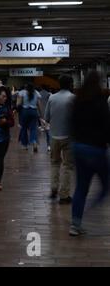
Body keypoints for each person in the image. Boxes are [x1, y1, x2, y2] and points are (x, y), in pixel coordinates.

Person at [69, 72, 110, 236]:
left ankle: (75, 224)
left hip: (79, 148)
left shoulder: (78, 101)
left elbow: (71, 123)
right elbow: (107, 127)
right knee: (106, 186)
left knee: (81, 188)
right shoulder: (101, 101)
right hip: (96, 150)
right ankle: (91, 211)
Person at [44, 76, 75, 204]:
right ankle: (64, 195)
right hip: (69, 137)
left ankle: (53, 188)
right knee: (68, 166)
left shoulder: (52, 98)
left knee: (55, 163)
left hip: (54, 136)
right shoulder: (73, 98)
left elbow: (46, 118)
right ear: (70, 84)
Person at [17, 83, 41, 152]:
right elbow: (39, 105)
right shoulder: (36, 93)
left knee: (24, 128)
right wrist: (41, 115)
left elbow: (19, 104)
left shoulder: (22, 93)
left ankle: (24, 145)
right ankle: (34, 142)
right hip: (34, 111)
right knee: (33, 128)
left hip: (24, 112)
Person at [39, 85, 52, 151]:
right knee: (48, 125)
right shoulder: (49, 94)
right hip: (47, 108)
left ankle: (42, 127)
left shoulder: (39, 93)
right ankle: (49, 145)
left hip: (41, 107)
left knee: (42, 118)